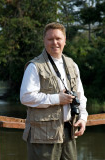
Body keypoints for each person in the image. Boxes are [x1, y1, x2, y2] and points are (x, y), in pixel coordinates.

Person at [20, 22, 88, 160]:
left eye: (58, 38)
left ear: (65, 41)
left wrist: (83, 118)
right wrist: (57, 99)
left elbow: (80, 96)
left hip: (69, 132)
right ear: (44, 41)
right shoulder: (34, 66)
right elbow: (26, 97)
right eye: (50, 39)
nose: (54, 42)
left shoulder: (72, 65)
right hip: (42, 135)